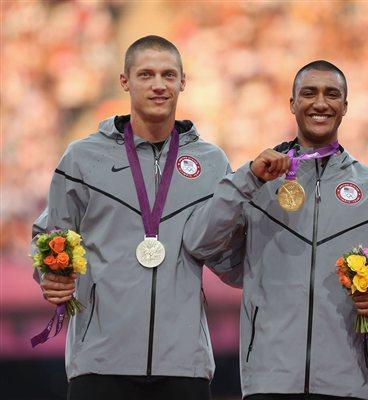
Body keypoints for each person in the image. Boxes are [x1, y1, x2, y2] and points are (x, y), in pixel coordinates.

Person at [184, 60, 368, 399]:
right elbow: (200, 242)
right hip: (270, 379)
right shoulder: (257, 180)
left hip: (349, 380)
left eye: (331, 94)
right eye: (309, 93)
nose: (320, 103)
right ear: (292, 103)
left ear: (345, 106)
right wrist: (249, 177)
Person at [32, 35, 238, 400]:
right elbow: (49, 237)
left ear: (182, 82)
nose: (158, 85)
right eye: (146, 74)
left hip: (184, 365)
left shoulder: (212, 163)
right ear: (125, 81)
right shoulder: (82, 157)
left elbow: (227, 255)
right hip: (100, 362)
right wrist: (49, 274)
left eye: (168, 75)